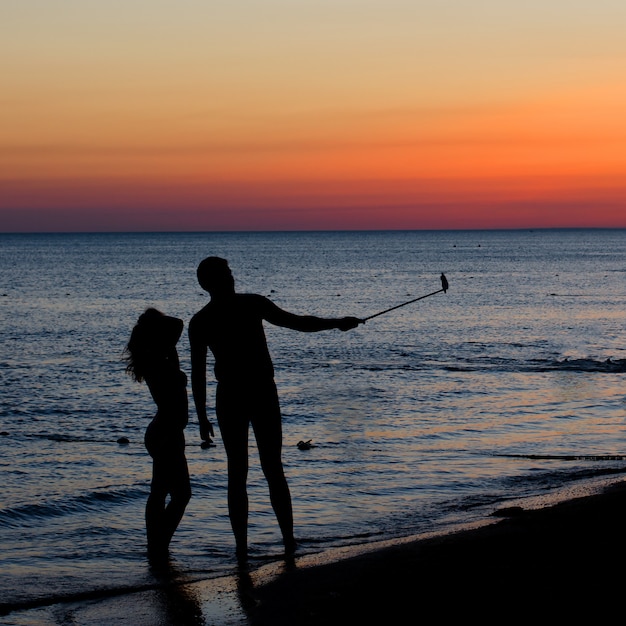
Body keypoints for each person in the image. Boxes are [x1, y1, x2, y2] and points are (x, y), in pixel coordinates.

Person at [189, 257, 361, 561]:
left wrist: (336, 323)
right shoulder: (234, 309)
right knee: (256, 470)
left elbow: (296, 322)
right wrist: (201, 416)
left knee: (255, 469)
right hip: (249, 392)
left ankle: (270, 543)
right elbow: (198, 372)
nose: (232, 276)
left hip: (242, 393)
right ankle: (268, 543)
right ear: (213, 281)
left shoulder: (210, 317)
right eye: (227, 273)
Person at [125, 308, 192, 558]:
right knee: (178, 494)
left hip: (169, 430)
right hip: (165, 432)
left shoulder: (162, 356)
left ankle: (157, 545)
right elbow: (178, 323)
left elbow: (175, 327)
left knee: (165, 492)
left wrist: (152, 321)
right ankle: (158, 544)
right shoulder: (155, 359)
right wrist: (151, 319)